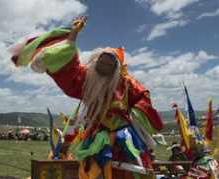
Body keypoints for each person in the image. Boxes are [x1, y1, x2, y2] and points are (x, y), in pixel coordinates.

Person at [11, 16, 163, 179]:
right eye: (102, 62)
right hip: (96, 136)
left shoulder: (126, 83)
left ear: (116, 68)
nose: (105, 66)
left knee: (133, 169)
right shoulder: (89, 79)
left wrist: (132, 117)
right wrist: (73, 36)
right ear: (96, 62)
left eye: (109, 64)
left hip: (124, 137)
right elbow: (71, 73)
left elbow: (143, 97)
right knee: (94, 170)